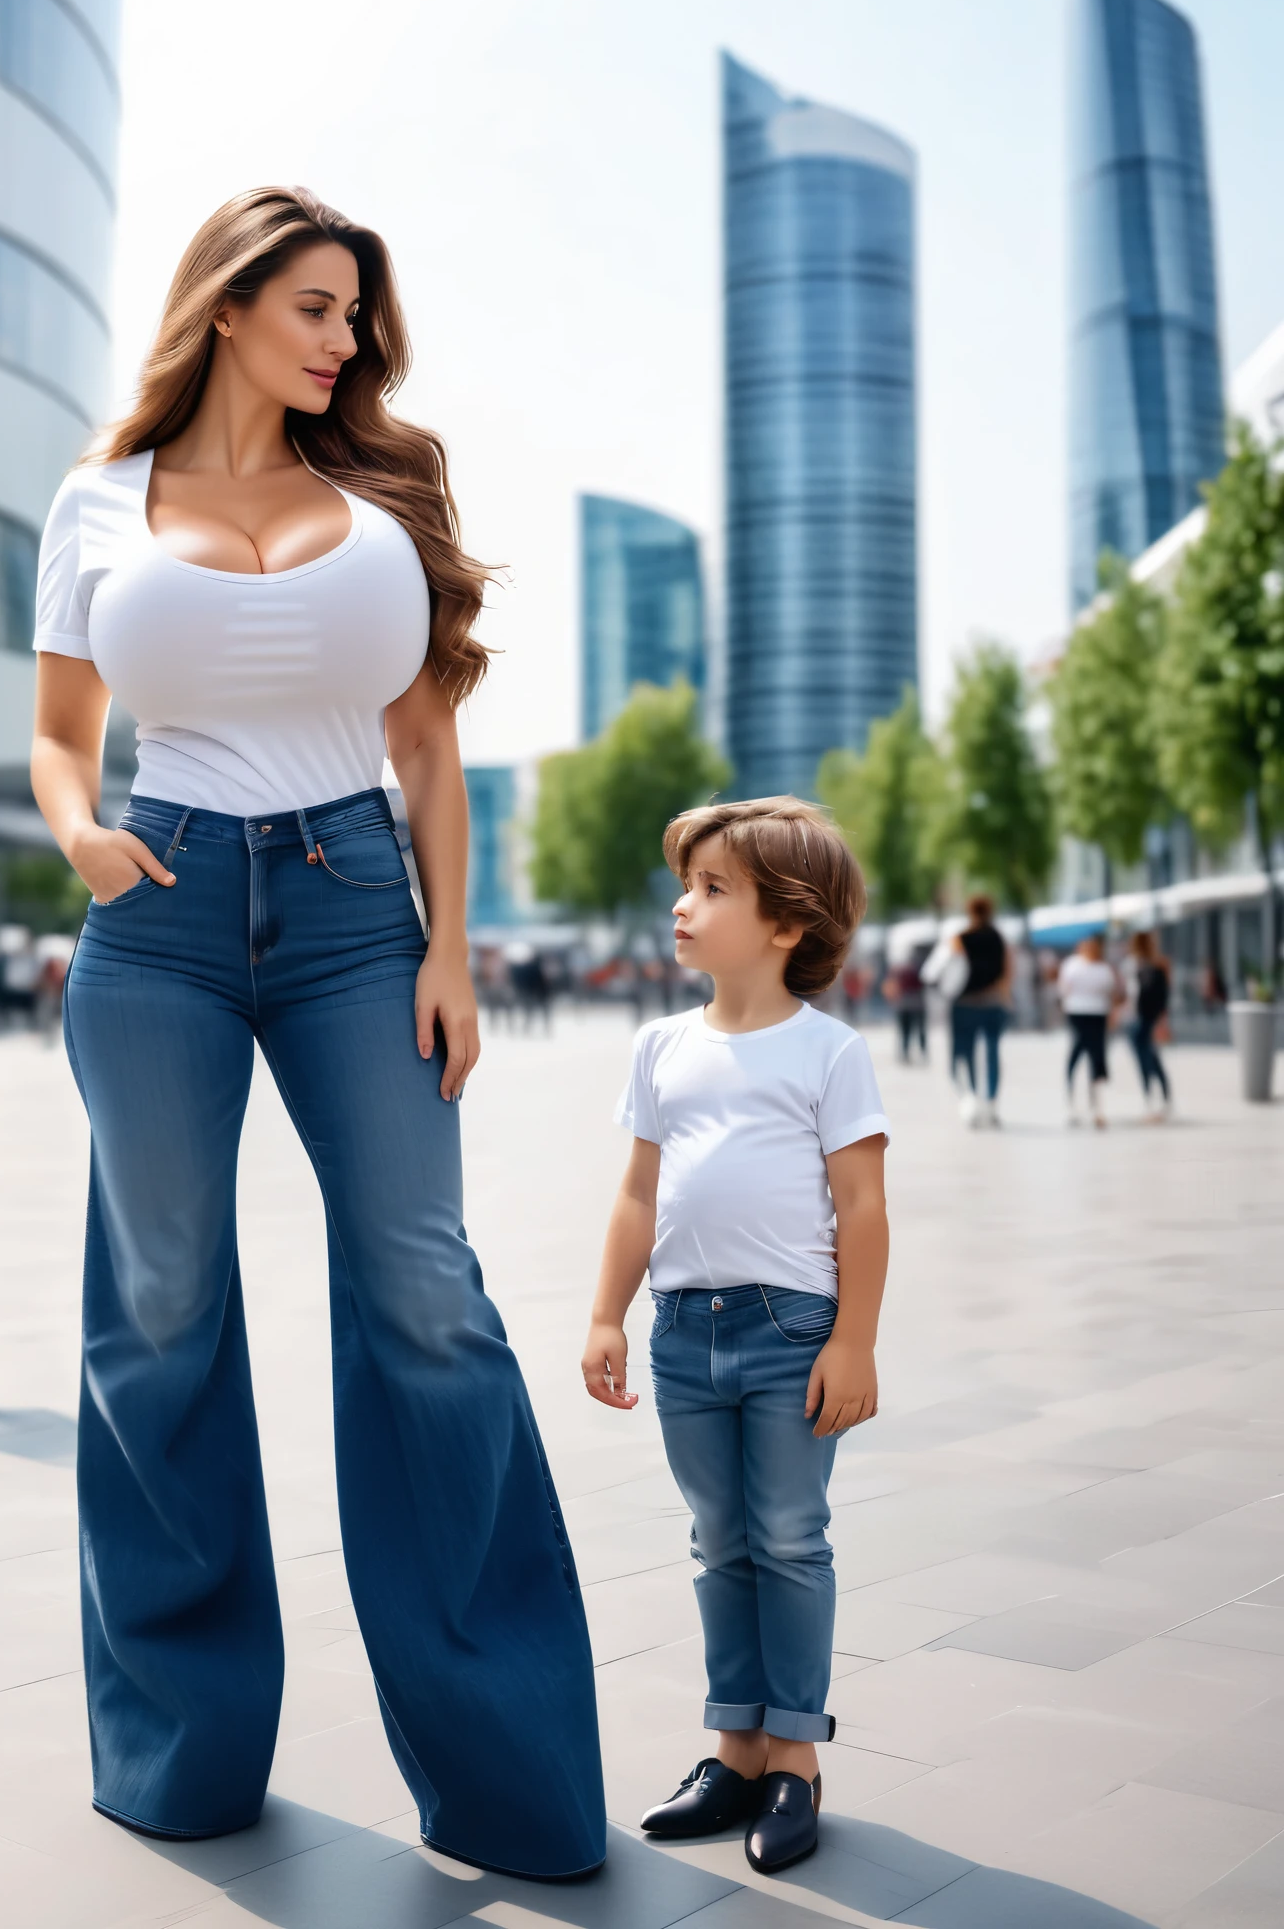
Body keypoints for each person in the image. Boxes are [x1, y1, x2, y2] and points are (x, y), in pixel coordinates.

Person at [29, 188, 605, 1879]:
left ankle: (508, 1772)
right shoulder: (95, 502)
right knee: (156, 1304)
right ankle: (178, 1747)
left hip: (358, 906)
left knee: (427, 1293)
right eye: (314, 305)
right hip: (160, 908)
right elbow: (62, 737)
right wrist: (73, 831)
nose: (344, 339)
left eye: (355, 313)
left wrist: (450, 949)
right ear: (225, 307)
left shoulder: (377, 495)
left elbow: (425, 747)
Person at [583, 798, 888, 1879]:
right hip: (682, 1330)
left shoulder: (827, 1052)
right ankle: (732, 1749)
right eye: (685, 883)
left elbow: (860, 1208)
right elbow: (635, 1193)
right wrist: (604, 1311)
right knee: (719, 1538)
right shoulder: (659, 1045)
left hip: (788, 1327)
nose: (682, 903)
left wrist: (851, 1341)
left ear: (785, 925)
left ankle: (794, 1756)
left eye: (714, 889)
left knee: (789, 1536)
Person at [947, 895, 1010, 1128]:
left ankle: (972, 1100)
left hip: (964, 1002)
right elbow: (1005, 971)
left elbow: (949, 969)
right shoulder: (998, 938)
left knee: (966, 1052)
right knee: (992, 1052)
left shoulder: (961, 939)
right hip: (992, 1002)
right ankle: (992, 1104)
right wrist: (1006, 998)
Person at [1057, 932, 1122, 1129]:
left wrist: (1112, 1015)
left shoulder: (1104, 968)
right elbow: (1064, 989)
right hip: (1077, 1014)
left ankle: (1097, 1107)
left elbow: (1113, 994)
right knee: (1075, 1056)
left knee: (1097, 1059)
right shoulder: (1072, 965)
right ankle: (1072, 1104)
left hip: (1097, 1015)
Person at [1126, 928, 1173, 1121]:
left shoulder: (1155, 968)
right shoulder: (1133, 967)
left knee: (1150, 1059)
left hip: (1147, 1019)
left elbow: (1162, 998)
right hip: (1134, 1020)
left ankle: (1160, 1098)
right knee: (1144, 1060)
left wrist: (1161, 1021)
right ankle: (1152, 1098)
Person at [886, 952, 927, 1062]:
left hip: (906, 1005)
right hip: (915, 1005)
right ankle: (918, 1052)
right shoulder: (919, 971)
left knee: (906, 1031)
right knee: (915, 1031)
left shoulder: (900, 971)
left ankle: (906, 1052)